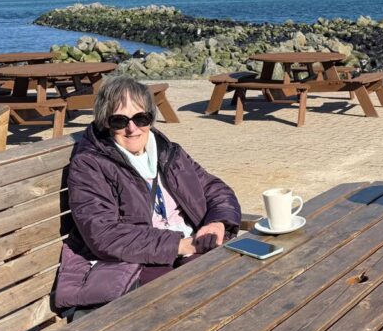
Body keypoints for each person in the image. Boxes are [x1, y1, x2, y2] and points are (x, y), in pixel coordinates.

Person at [54, 76, 242, 318]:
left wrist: (218, 222)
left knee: (245, 282)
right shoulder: (90, 165)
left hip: (190, 249)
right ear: (104, 122)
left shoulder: (167, 152)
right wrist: (179, 245)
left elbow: (216, 189)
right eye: (120, 121)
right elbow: (104, 234)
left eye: (141, 118)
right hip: (134, 263)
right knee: (191, 305)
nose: (132, 129)